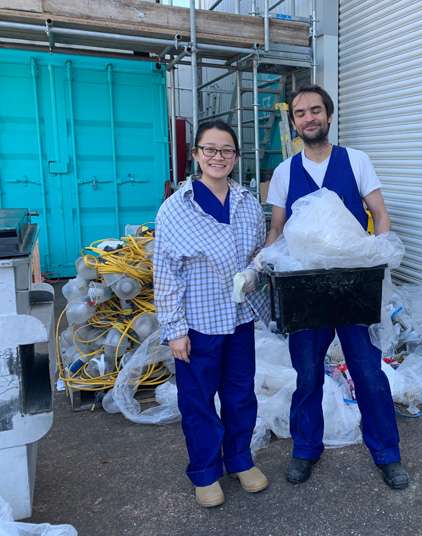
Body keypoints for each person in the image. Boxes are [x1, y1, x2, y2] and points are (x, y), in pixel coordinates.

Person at [263, 85, 410, 490]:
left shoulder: (356, 161)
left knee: (368, 373)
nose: (308, 118)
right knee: (307, 374)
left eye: (315, 110)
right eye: (300, 113)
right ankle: (305, 449)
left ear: (328, 116)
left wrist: (379, 259)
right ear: (293, 122)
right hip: (304, 289)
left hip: (352, 286)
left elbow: (380, 214)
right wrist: (262, 263)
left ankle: (387, 454)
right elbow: (277, 228)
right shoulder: (284, 172)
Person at [153, 120, 270, 507]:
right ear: (197, 155)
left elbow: (259, 252)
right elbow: (166, 272)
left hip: (238, 320)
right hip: (198, 323)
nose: (218, 157)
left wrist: (254, 272)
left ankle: (239, 459)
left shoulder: (247, 202)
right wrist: (174, 329)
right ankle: (205, 472)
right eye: (210, 149)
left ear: (236, 157)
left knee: (240, 395)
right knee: (198, 400)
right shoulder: (175, 208)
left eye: (227, 151)